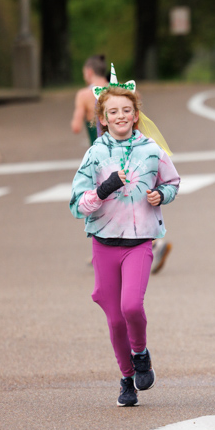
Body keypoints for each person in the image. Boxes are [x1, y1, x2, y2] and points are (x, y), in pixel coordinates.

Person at [70, 68, 180, 407]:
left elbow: (173, 182)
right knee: (115, 317)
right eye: (113, 112)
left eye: (126, 110)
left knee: (131, 305)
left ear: (136, 114)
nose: (121, 116)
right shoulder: (95, 155)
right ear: (102, 118)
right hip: (104, 242)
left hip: (139, 242)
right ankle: (127, 378)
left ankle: (141, 352)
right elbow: (77, 204)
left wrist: (162, 195)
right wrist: (103, 189)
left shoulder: (151, 150)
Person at [70, 54, 108, 146]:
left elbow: (76, 127)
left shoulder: (84, 95)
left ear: (89, 72)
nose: (84, 77)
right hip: (123, 153)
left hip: (98, 153)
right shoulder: (122, 89)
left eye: (84, 74)